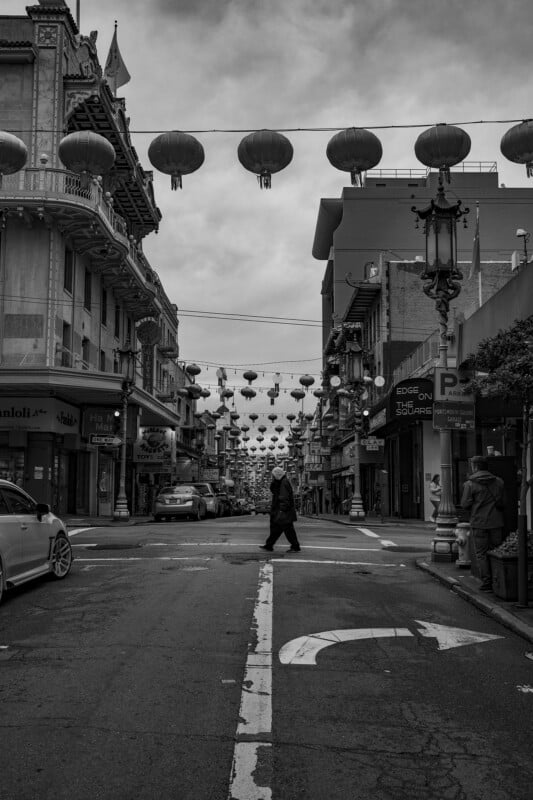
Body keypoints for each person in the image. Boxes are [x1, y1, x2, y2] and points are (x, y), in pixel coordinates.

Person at [460, 455, 505, 592]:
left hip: (479, 522)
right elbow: (503, 502)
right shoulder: (499, 482)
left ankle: (487, 582)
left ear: (475, 467)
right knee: (497, 552)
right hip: (496, 522)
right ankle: (499, 581)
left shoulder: (470, 484)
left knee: (482, 554)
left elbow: (464, 504)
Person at [260, 466, 300, 553]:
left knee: (288, 530)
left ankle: (295, 546)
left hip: (282, 511)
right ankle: (269, 545)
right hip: (280, 510)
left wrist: (282, 509)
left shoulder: (283, 483)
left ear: (277, 475)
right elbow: (274, 490)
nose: (272, 477)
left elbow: (284, 497)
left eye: (273, 475)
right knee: (277, 529)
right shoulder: (280, 482)